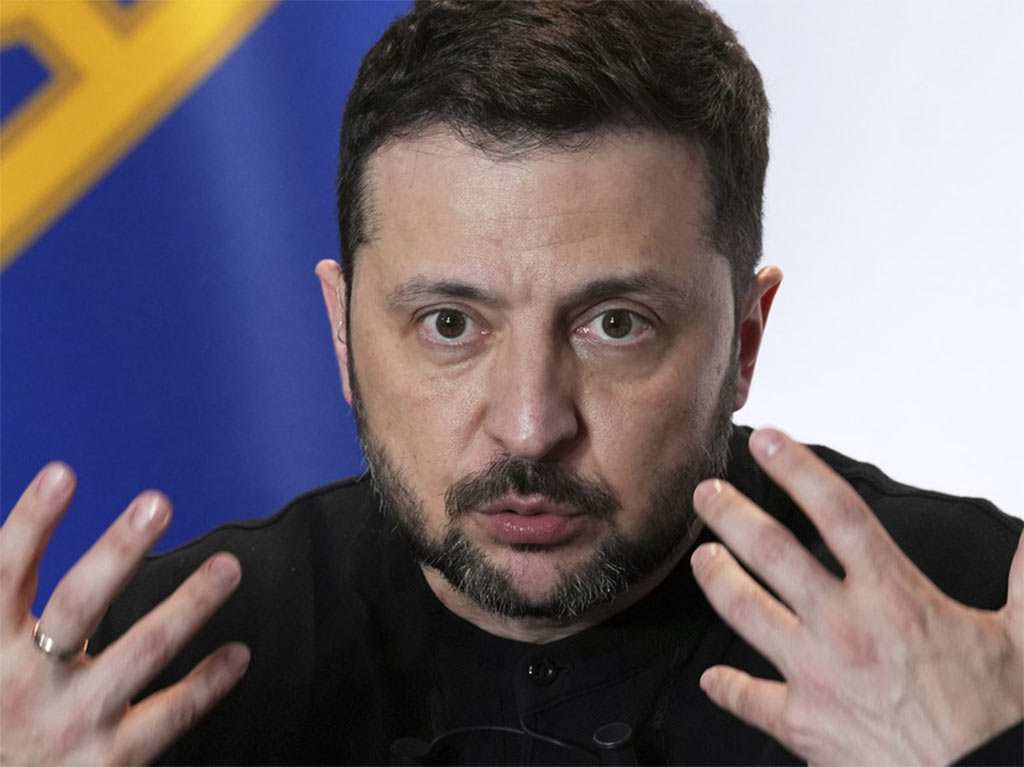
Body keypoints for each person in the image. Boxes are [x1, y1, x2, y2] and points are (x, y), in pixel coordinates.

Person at [1, 1, 1021, 764]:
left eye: (616, 324)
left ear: (745, 340)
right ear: (342, 334)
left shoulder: (980, 622)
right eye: (450, 324)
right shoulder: (133, 677)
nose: (531, 426)